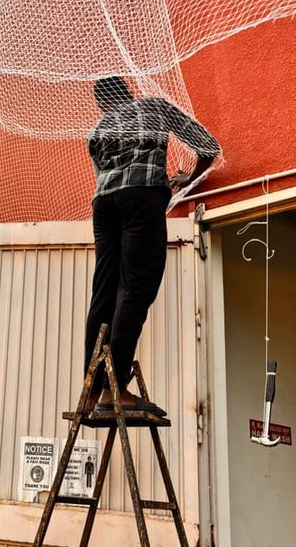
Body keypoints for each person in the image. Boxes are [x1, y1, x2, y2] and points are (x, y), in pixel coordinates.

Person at [84, 75, 220, 414]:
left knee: (104, 292)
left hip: (104, 205)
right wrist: (190, 177)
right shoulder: (155, 108)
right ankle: (113, 390)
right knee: (136, 287)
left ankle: (90, 390)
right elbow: (207, 147)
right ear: (129, 90)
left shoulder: (96, 132)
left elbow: (106, 174)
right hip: (141, 196)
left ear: (102, 104)